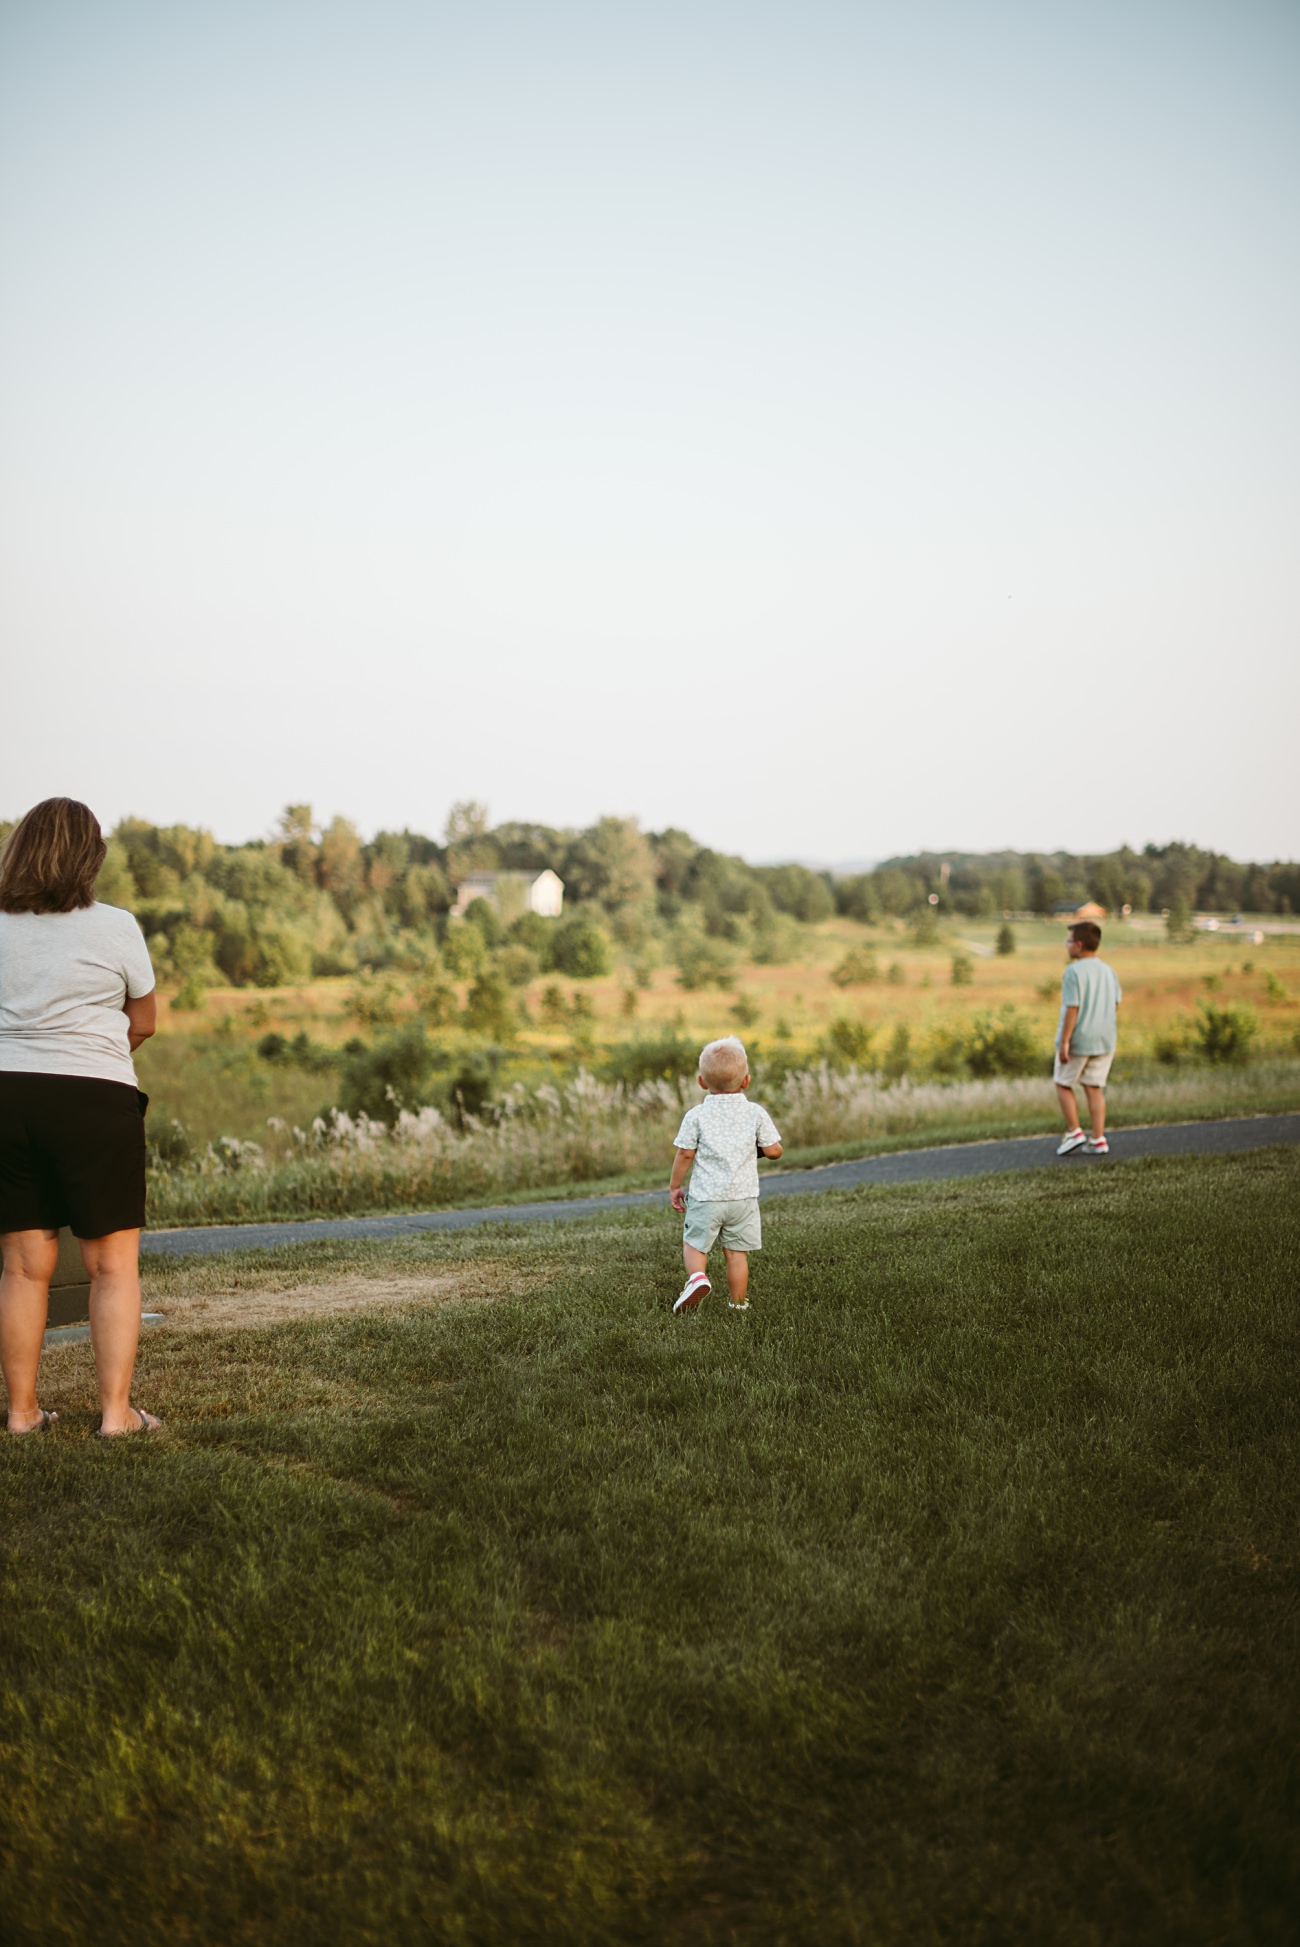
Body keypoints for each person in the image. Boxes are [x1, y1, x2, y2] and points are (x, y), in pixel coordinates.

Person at [0, 798, 162, 1436]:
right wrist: (91, 1060)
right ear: (90, 858)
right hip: (95, 1098)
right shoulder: (116, 926)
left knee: (21, 1266)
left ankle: (22, 1415)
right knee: (111, 1266)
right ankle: (116, 1417)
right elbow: (143, 1021)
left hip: (7, 1097)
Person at [668, 1035, 782, 1314]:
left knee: (695, 1245)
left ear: (701, 1082)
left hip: (707, 1198)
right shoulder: (755, 1113)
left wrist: (674, 1186)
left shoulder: (696, 1115)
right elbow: (774, 1151)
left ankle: (697, 1278)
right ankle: (738, 1304)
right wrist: (753, 1150)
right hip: (743, 1199)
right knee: (736, 1254)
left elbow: (685, 1154)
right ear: (746, 1081)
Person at [1054, 920, 1121, 1157]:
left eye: (1069, 940)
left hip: (1079, 1040)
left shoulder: (1073, 972)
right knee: (1094, 1087)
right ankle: (1098, 1139)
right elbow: (1115, 1004)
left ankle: (1074, 1132)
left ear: (1079, 945)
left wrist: (1065, 1042)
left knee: (1063, 1083)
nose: (1067, 945)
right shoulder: (1109, 971)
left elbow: (1072, 1008)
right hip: (1105, 1041)